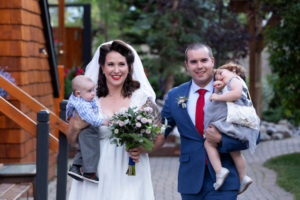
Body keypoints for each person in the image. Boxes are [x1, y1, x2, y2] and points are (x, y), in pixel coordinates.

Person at [67, 40, 165, 200]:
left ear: (129, 67)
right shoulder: (89, 100)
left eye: (122, 64)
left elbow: (159, 136)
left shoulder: (142, 100)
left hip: (130, 172)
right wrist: (77, 125)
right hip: (95, 170)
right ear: (102, 67)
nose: (116, 70)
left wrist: (141, 149)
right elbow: (71, 139)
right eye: (110, 64)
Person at [161, 43, 260, 199]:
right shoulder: (175, 95)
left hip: (225, 180)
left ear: (212, 61)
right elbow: (161, 131)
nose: (199, 66)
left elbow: (254, 134)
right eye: (193, 62)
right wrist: (139, 144)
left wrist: (222, 139)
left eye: (204, 60)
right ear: (187, 65)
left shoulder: (231, 91)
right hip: (190, 180)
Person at [204, 62, 260, 193]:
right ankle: (243, 177)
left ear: (233, 70)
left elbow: (236, 94)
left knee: (208, 142)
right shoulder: (228, 83)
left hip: (231, 118)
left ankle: (219, 171)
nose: (218, 77)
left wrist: (218, 95)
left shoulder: (234, 79)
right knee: (235, 152)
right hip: (234, 120)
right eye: (216, 77)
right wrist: (218, 89)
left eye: (220, 73)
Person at [66, 75, 110, 184]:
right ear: (78, 93)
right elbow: (90, 118)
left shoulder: (76, 98)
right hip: (89, 130)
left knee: (84, 149)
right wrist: (103, 122)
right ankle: (89, 172)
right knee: (92, 150)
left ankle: (75, 168)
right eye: (89, 91)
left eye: (93, 90)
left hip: (85, 131)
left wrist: (68, 114)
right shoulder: (83, 104)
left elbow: (69, 105)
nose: (93, 94)